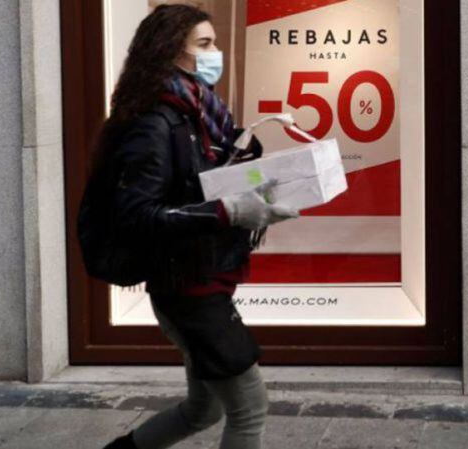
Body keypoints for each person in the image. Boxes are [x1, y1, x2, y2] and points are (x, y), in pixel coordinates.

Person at [101, 5, 299, 449]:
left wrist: (252, 170)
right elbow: (138, 215)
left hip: (204, 274)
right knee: (249, 410)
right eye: (204, 44)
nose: (216, 53)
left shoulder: (198, 109)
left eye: (215, 42)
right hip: (187, 287)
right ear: (171, 50)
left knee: (203, 409)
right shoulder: (154, 121)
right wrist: (230, 212)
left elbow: (200, 180)